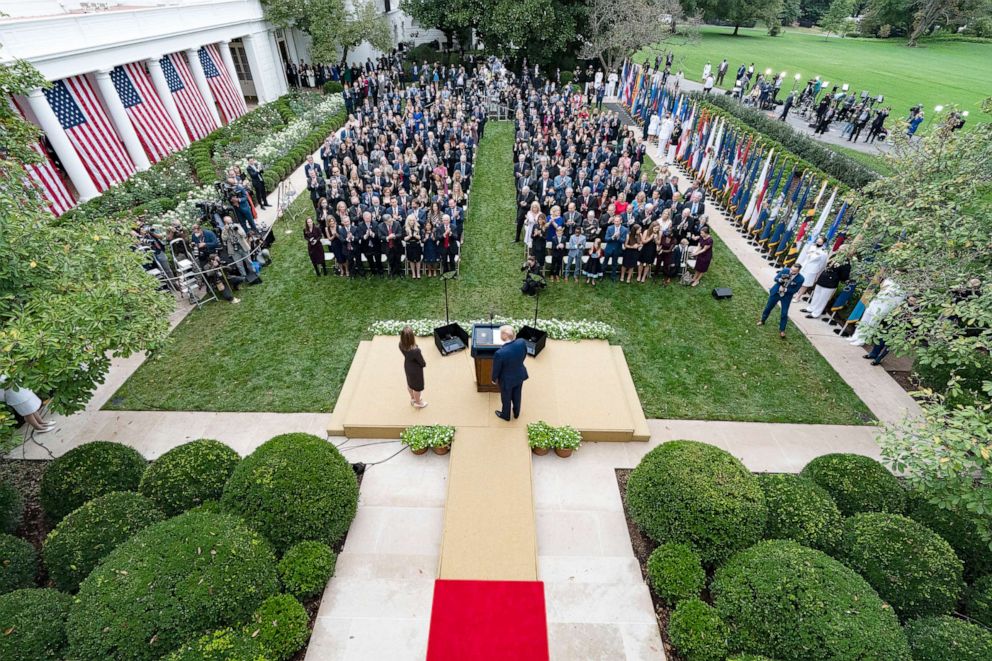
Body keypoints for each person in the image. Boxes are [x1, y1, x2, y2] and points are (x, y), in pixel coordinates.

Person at [491, 325, 528, 421]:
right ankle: (516, 413)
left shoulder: (500, 353)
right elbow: (524, 355)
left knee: (506, 398)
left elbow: (496, 369)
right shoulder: (522, 342)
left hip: (506, 380)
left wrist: (494, 379)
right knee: (517, 395)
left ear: (505, 335)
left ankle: (505, 415)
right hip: (519, 375)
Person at [759, 264, 804, 338]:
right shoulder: (785, 270)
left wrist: (785, 289)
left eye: (794, 271)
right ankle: (762, 320)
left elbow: (795, 290)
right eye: (791, 269)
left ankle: (782, 330)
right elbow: (776, 278)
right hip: (776, 292)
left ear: (798, 271)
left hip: (786, 296)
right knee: (768, 308)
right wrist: (780, 280)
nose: (791, 271)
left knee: (784, 313)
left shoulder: (801, 279)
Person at [399, 326, 428, 409]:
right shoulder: (415, 350)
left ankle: (413, 398)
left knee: (410, 383)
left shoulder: (401, 345)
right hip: (415, 370)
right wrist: (423, 364)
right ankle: (418, 402)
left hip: (407, 366)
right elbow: (422, 362)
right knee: (417, 388)